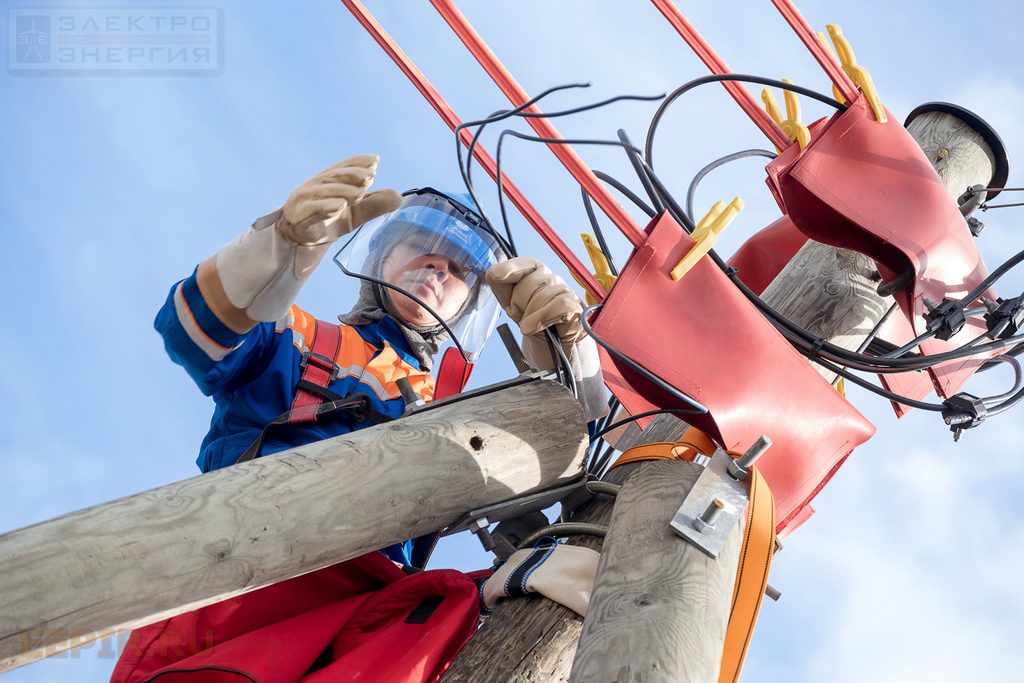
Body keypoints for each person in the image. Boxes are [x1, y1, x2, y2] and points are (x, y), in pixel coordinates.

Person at [112, 155, 604, 683]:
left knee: (474, 597)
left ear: (468, 305)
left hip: (370, 615)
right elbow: (194, 331)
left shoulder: (461, 414)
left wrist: (569, 354)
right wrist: (272, 250)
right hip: (244, 579)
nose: (438, 269)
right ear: (382, 257)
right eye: (422, 247)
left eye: (459, 270)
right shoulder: (300, 339)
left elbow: (571, 455)